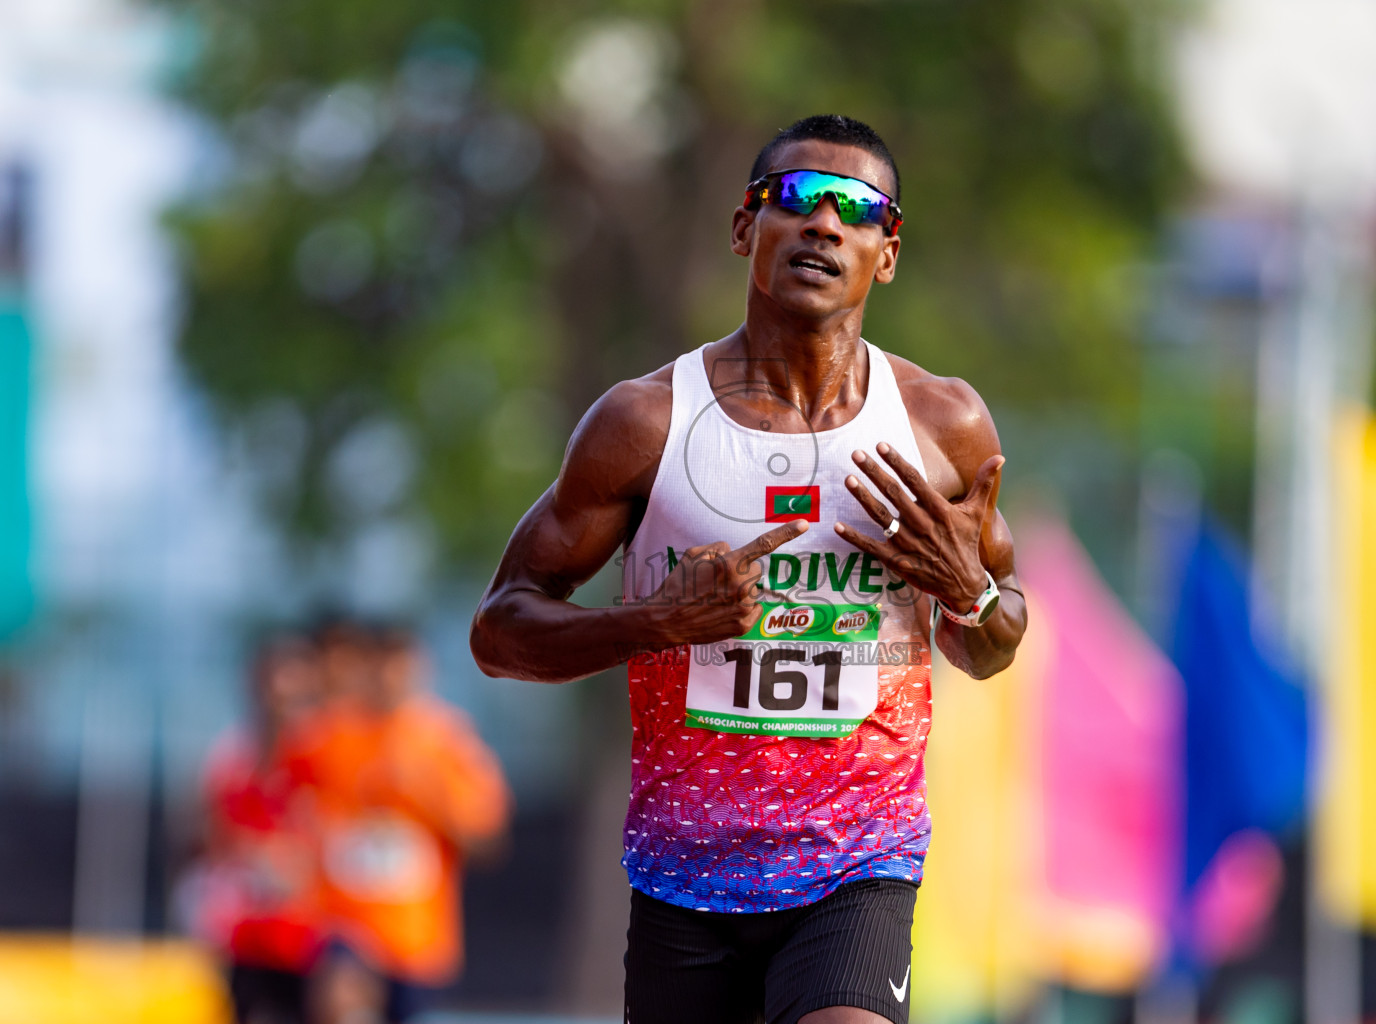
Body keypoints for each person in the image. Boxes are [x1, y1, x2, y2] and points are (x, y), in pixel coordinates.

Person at [470, 114, 1027, 1024]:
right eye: (799, 197)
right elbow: (500, 630)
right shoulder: (645, 424)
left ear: (886, 253)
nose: (825, 224)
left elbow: (995, 644)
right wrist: (653, 623)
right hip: (684, 874)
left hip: (859, 862)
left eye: (858, 209)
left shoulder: (942, 426)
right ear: (745, 229)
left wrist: (970, 589)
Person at [287, 622, 512, 1024]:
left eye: (401, 665)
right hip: (344, 928)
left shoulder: (446, 740)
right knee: (343, 1000)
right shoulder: (326, 736)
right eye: (380, 665)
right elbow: (286, 807)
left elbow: (487, 837)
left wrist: (425, 795)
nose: (389, 677)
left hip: (416, 939)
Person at [196, 633, 326, 1024]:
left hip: (310, 937)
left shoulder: (323, 756)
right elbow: (213, 837)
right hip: (246, 936)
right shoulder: (233, 757)